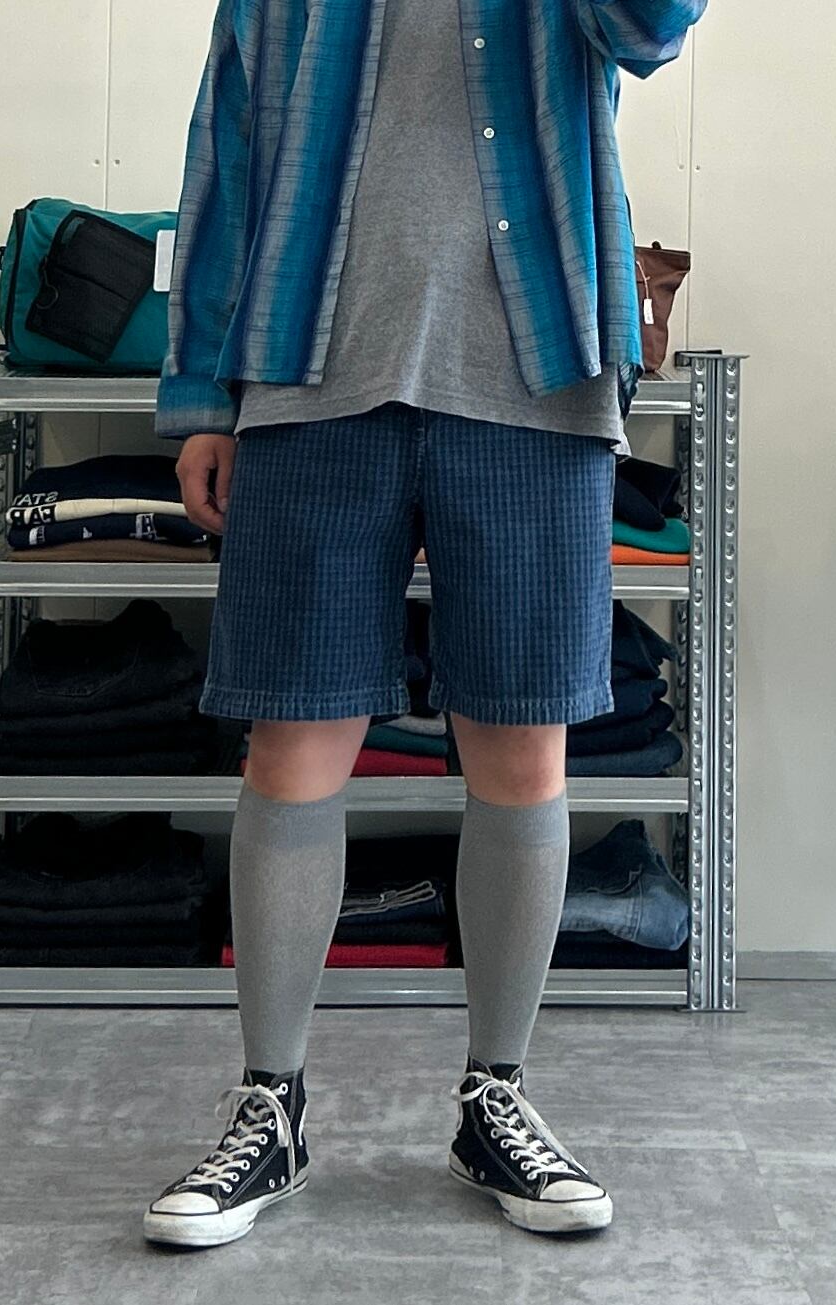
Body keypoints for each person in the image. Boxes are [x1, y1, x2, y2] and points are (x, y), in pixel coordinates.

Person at [142, 0, 706, 1249]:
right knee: (290, 744)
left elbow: (654, 29)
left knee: (523, 747)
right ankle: (270, 1106)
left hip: (538, 375)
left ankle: (496, 1097)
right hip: (308, 374)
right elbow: (225, 155)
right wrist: (201, 397)